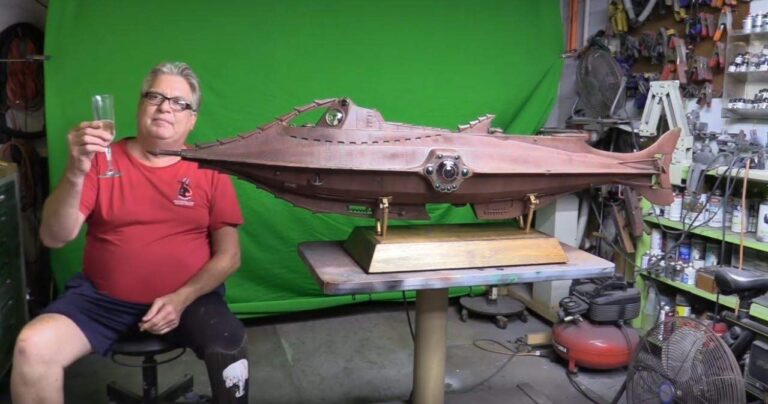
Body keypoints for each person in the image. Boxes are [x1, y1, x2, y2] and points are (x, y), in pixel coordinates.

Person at [11, 61, 249, 403]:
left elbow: (230, 256)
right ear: (139, 106)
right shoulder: (99, 160)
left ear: (192, 119)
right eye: (155, 96)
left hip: (190, 300)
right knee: (31, 347)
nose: (165, 107)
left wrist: (182, 298)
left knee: (230, 348)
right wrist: (76, 170)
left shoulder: (210, 170)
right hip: (102, 301)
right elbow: (53, 236)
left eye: (179, 102)